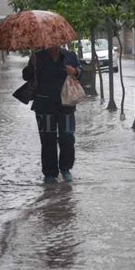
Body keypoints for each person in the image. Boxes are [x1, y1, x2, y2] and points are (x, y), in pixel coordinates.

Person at [22, 46, 82, 184]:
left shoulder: (69, 55)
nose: (54, 42)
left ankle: (65, 169)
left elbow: (81, 73)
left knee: (67, 138)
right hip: (44, 105)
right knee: (48, 140)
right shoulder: (38, 56)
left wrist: (75, 71)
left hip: (66, 104)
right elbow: (26, 76)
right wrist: (32, 64)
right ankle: (50, 173)